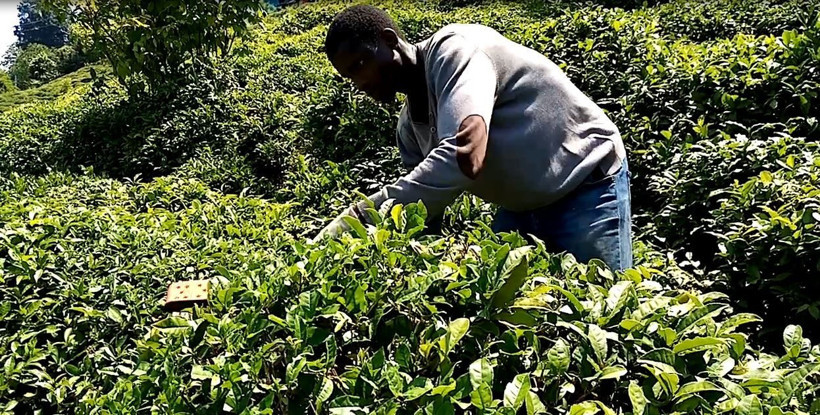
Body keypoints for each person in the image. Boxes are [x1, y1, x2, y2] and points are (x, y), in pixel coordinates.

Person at [315, 5, 632, 271]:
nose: (359, 81)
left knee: (604, 312)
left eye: (361, 64)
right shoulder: (409, 129)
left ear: (388, 41)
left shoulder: (455, 51)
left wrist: (356, 219)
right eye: (349, 76)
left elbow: (466, 156)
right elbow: (421, 213)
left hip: (586, 185)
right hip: (522, 206)